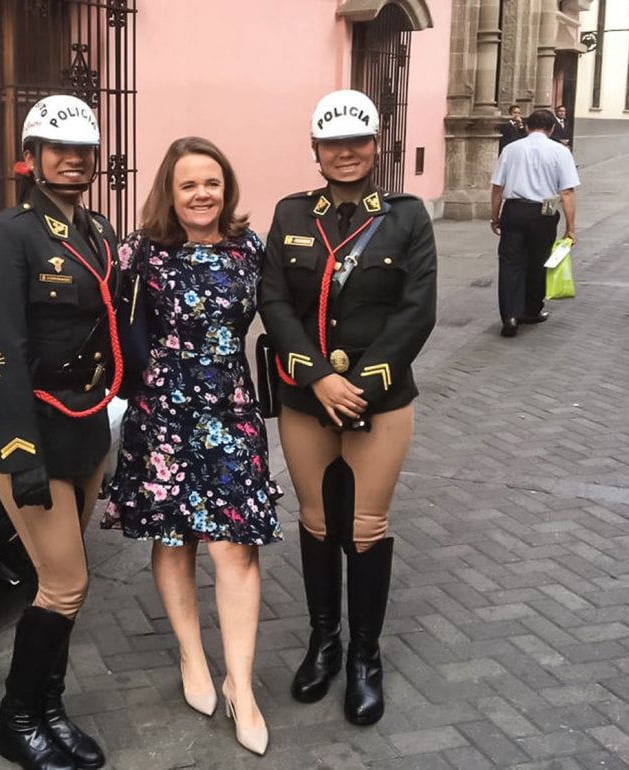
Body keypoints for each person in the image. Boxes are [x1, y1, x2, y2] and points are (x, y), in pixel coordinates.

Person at [259, 89, 436, 726]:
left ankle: (365, 656)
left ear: (375, 144)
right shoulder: (291, 214)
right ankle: (323, 641)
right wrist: (316, 379)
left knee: (363, 527)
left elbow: (418, 309)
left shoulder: (406, 217)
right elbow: (274, 301)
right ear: (316, 150)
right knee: (314, 522)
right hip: (308, 398)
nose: (345, 152)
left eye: (356, 141)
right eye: (332, 143)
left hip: (380, 397)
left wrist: (361, 383)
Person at [101, 136, 282, 756]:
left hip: (231, 414)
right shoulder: (139, 252)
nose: (201, 194)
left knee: (235, 551)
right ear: (169, 193)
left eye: (211, 182)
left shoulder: (249, 249)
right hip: (162, 416)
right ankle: (190, 658)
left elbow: (286, 313)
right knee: (174, 539)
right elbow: (97, 320)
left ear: (226, 187)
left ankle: (243, 685)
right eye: (188, 185)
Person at [0, 93, 122, 770]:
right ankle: (17, 718)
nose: (72, 160)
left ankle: (49, 704)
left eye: (83, 150)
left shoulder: (99, 232)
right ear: (29, 158)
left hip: (84, 428)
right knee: (64, 583)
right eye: (57, 149)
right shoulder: (7, 234)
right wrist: (20, 452)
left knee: (67, 579)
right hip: (30, 432)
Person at [490, 107, 579, 337]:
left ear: (528, 126)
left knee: (510, 263)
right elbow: (567, 192)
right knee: (538, 261)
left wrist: (495, 215)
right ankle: (530, 310)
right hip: (544, 213)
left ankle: (509, 315)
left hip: (514, 210)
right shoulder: (560, 152)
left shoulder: (511, 149)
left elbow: (497, 186)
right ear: (551, 129)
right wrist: (570, 228)